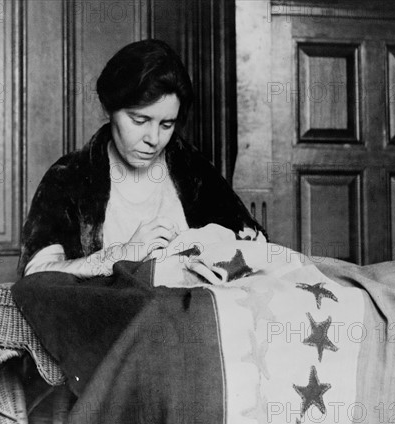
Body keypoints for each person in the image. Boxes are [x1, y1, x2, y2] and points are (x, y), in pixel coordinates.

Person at [18, 39, 266, 278]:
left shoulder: (193, 171)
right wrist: (121, 256)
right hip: (111, 319)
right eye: (140, 121)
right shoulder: (69, 176)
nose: (154, 138)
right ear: (110, 109)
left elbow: (255, 242)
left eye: (167, 124)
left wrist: (204, 245)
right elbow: (36, 274)